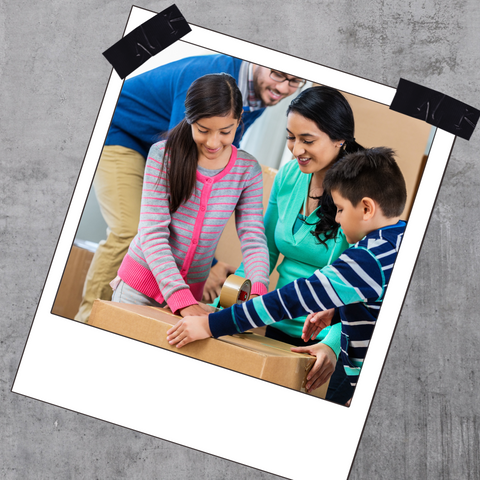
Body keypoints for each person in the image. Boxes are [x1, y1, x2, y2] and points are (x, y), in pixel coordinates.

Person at [75, 54, 304, 322]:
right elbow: (166, 220)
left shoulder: (249, 111)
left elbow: (251, 234)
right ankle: (88, 319)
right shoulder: (176, 136)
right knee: (130, 228)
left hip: (184, 289)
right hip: (121, 131)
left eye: (294, 81)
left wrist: (256, 287)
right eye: (278, 74)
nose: (283, 87)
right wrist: (211, 268)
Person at [166, 147, 408, 401]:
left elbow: (291, 299)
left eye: (339, 209)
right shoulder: (398, 240)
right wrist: (338, 310)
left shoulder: (366, 258)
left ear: (367, 209)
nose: (336, 219)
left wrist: (209, 325)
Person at [229, 86, 364, 403]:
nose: (295, 149)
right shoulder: (289, 175)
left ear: (339, 138)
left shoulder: (359, 194)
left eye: (308, 140)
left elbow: (361, 284)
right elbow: (263, 248)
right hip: (280, 328)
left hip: (333, 343)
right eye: (291, 137)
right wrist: (235, 296)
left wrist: (331, 345)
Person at [109, 73, 270, 317]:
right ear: (190, 119)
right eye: (203, 130)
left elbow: (253, 236)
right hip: (138, 290)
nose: (213, 142)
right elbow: (153, 233)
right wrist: (181, 299)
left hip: (190, 299)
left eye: (225, 132)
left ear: (239, 121)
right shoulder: (163, 155)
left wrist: (258, 290)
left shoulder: (247, 170)